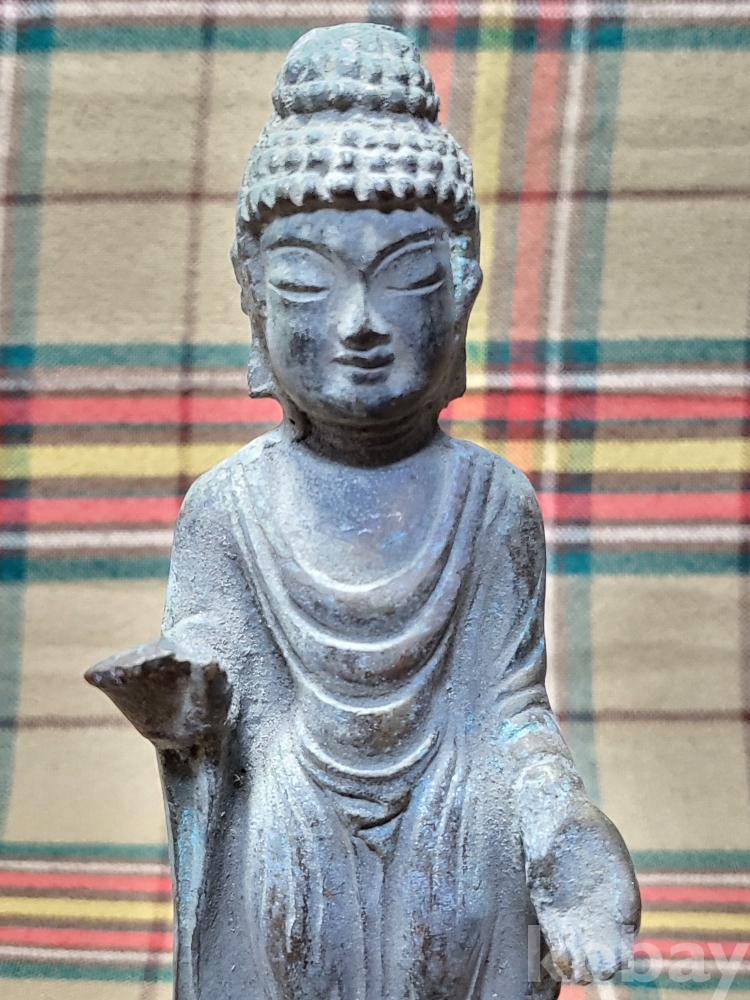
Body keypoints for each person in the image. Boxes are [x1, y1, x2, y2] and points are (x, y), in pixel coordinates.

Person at [87, 23, 639, 1000]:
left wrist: (559, 824)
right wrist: (186, 703)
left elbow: (509, 710)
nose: (360, 325)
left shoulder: (493, 502)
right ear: (255, 299)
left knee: (464, 895)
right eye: (308, 282)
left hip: (459, 822)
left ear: (461, 290)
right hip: (291, 824)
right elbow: (218, 681)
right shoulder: (228, 507)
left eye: (407, 277)